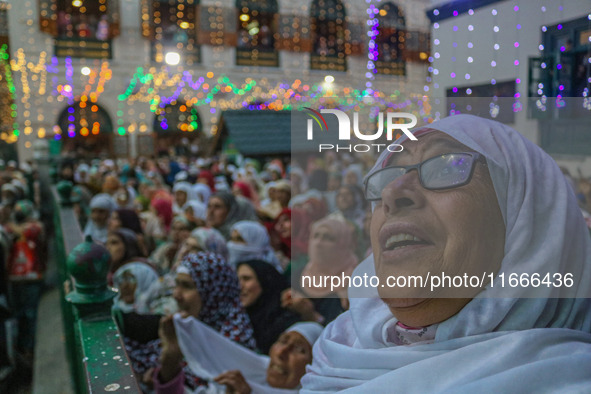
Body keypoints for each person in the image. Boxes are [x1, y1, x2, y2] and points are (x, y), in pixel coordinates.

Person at [301, 114, 591, 392]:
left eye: (446, 167)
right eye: (387, 177)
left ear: (530, 223)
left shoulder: (571, 380)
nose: (392, 193)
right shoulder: (338, 351)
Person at [155, 317, 323, 393]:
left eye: (300, 350)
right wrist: (170, 360)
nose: (282, 352)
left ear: (315, 369)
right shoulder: (246, 377)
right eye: (282, 341)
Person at [237, 260, 301, 354]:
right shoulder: (237, 318)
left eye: (246, 279)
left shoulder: (287, 322)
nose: (239, 286)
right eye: (237, 280)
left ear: (264, 281)